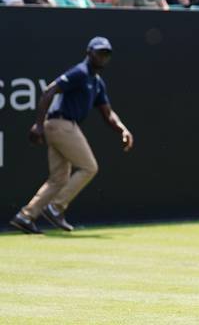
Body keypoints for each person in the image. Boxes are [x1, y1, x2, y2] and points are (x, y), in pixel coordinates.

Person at [9, 37, 134, 235]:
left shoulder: (97, 82)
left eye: (106, 54)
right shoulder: (80, 72)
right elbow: (49, 91)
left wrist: (122, 129)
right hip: (60, 124)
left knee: (58, 179)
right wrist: (39, 125)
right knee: (89, 167)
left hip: (63, 126)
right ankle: (56, 207)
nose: (103, 57)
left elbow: (108, 113)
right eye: (99, 52)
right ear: (89, 52)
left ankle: (25, 216)